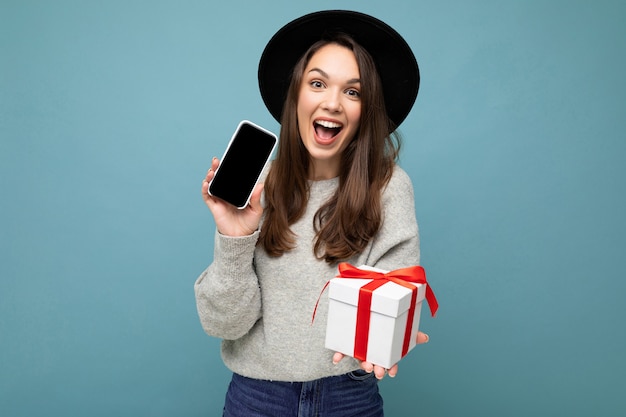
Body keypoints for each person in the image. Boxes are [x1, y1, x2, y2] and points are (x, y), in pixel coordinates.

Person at [196, 10, 428, 417]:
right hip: (257, 398)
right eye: (317, 83)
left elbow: (393, 295)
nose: (333, 103)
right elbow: (223, 325)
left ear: (365, 110)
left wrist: (391, 336)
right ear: (296, 96)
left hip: (348, 396)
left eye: (353, 92)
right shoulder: (255, 187)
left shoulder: (388, 188)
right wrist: (234, 238)